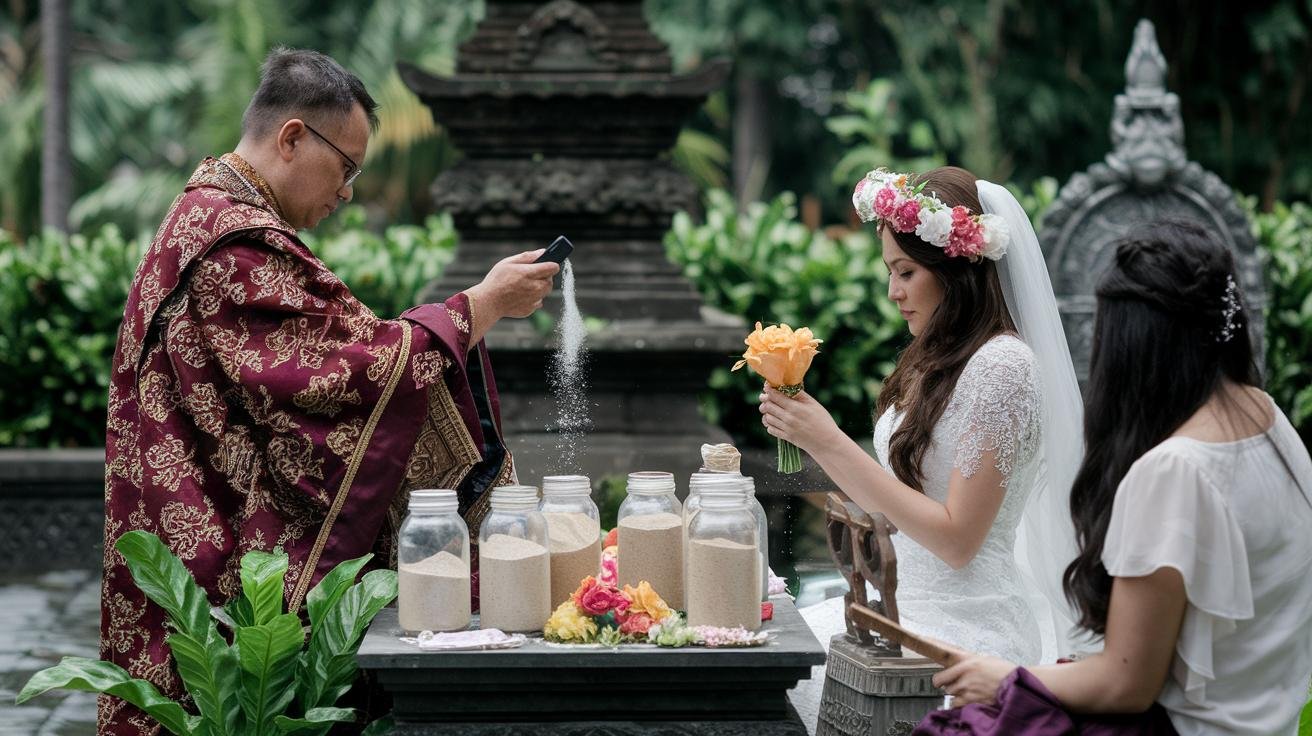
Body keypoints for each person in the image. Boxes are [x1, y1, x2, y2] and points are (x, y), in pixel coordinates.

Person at [99, 48, 558, 734]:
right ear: (291, 138)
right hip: (213, 557)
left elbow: (334, 351)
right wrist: (477, 309)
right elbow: (343, 374)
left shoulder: (206, 217)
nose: (347, 192)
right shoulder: (232, 244)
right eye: (344, 168)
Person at [923, 220, 1312, 736]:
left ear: (1130, 342)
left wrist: (1005, 677)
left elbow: (1127, 683)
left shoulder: (1174, 470)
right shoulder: (1270, 422)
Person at [769, 166, 1085, 730]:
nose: (893, 292)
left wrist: (827, 441)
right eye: (891, 272)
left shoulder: (1002, 368)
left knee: (784, 682)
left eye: (906, 272)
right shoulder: (938, 359)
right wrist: (810, 439)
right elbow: (895, 501)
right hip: (894, 607)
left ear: (956, 269)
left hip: (962, 623)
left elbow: (958, 540)